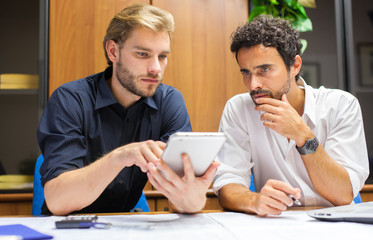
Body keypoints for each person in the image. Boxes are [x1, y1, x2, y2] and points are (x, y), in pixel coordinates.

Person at [37, 3, 219, 216]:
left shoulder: (170, 101)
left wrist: (194, 196)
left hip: (127, 227)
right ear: (113, 51)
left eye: (162, 56)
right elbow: (58, 201)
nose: (156, 68)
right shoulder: (70, 100)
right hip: (67, 229)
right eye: (143, 54)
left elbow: (185, 201)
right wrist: (119, 158)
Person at [213, 15, 369, 216]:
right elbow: (228, 184)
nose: (253, 85)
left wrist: (303, 136)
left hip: (337, 227)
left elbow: (343, 195)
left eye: (265, 70)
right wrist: (255, 200)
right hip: (275, 226)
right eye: (246, 72)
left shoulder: (341, 106)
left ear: (295, 65)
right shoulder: (238, 109)